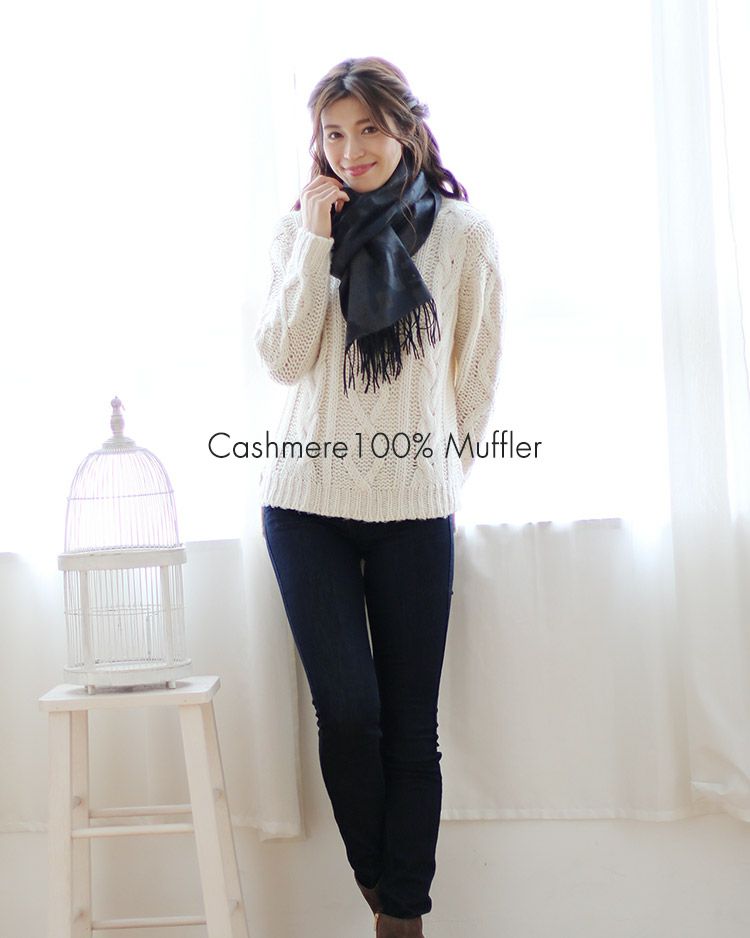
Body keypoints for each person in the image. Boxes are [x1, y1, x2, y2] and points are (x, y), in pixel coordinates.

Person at [254, 56, 504, 938]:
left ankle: (403, 916)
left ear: (405, 129)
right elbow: (284, 360)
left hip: (414, 512)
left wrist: (436, 475)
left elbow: (475, 377)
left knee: (410, 729)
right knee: (350, 715)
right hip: (305, 507)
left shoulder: (464, 235)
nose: (350, 149)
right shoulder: (297, 233)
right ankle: (381, 886)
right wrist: (316, 243)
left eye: (367, 128)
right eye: (333, 133)